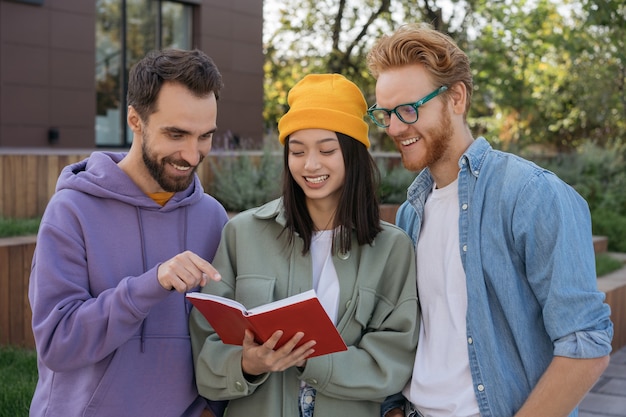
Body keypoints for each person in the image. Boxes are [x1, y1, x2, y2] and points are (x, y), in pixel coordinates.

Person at [366, 23, 614, 417]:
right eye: (385, 114)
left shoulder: (531, 194)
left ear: (456, 98)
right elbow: (417, 336)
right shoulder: (411, 212)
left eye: (409, 109)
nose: (394, 128)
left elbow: (585, 344)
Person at [189, 73, 419, 417]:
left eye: (327, 150)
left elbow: (394, 359)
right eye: (297, 151)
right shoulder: (242, 234)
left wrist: (312, 362)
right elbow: (205, 351)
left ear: (353, 155)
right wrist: (247, 363)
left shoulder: (392, 248)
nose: (310, 165)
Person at [28, 49, 229, 417]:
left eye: (205, 137)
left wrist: (211, 408)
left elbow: (220, 336)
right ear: (135, 120)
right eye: (176, 134)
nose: (192, 154)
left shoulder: (213, 218)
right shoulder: (72, 210)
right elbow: (58, 343)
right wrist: (150, 285)